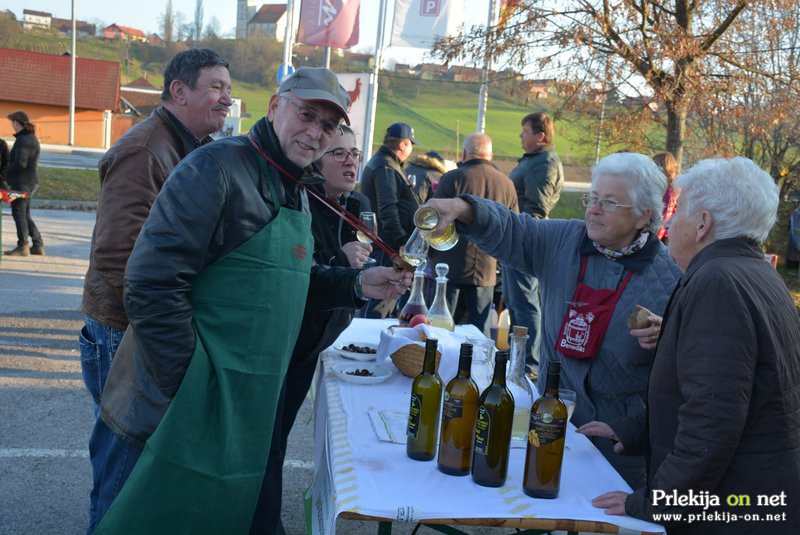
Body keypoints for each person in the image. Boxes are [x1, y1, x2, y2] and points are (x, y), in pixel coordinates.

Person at [88, 67, 411, 534]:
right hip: (170, 398)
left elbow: (288, 279)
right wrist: (189, 381)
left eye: (328, 125)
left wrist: (359, 284)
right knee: (128, 516)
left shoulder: (295, 184)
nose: (315, 131)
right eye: (307, 114)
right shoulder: (215, 168)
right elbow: (151, 282)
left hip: (240, 401)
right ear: (276, 106)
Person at [422, 152, 682, 487]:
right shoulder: (565, 240)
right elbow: (515, 230)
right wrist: (465, 208)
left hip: (618, 448)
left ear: (642, 216)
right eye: (592, 198)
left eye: (610, 203)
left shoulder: (671, 279)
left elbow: (686, 376)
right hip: (549, 425)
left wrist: (669, 337)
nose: (594, 209)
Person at [580, 157, 800, 534]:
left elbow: (713, 421)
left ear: (703, 224)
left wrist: (652, 503)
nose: (668, 221)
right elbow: (729, 393)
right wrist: (634, 430)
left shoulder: (718, 283)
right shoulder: (754, 273)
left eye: (679, 210)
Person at [79, 48, 232, 415]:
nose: (227, 99)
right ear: (179, 92)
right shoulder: (144, 151)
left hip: (148, 323)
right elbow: (117, 254)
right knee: (127, 447)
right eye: (216, 87)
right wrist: (163, 325)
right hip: (126, 328)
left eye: (228, 88)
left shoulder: (194, 148)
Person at [250, 125, 371, 534]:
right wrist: (342, 258)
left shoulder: (354, 204)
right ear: (317, 164)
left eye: (354, 153)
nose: (351, 160)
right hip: (286, 340)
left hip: (314, 344)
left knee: (277, 441)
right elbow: (296, 275)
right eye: (339, 154)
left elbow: (358, 268)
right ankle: (262, 525)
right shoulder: (304, 202)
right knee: (267, 444)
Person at [427, 133, 518, 335]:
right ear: (490, 154)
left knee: (440, 330)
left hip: (448, 266)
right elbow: (514, 228)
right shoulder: (506, 184)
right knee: (480, 333)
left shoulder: (451, 178)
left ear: (465, 152)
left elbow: (433, 219)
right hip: (485, 268)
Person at [502, 111, 564, 370]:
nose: (520, 136)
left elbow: (536, 209)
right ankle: (517, 357)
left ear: (540, 136)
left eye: (525, 132)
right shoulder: (535, 160)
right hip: (515, 238)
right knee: (515, 300)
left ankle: (529, 364)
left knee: (525, 303)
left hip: (525, 240)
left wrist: (519, 234)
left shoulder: (544, 164)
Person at [360, 121, 419, 317]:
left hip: (386, 245)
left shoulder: (384, 163)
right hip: (388, 248)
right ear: (403, 145)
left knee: (384, 303)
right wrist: (401, 243)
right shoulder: (386, 166)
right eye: (411, 143)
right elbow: (387, 209)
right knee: (379, 304)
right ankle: (368, 345)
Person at [3, 111, 43, 257]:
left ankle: (23, 246)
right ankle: (38, 244)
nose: (12, 126)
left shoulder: (23, 140)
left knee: (18, 213)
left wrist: (5, 173)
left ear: (17, 123)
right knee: (24, 214)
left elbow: (20, 163)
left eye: (12, 123)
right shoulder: (30, 138)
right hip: (28, 182)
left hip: (21, 182)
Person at [652, 151, 678, 242]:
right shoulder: (659, 188)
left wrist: (655, 239)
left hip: (662, 237)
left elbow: (665, 218)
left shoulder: (669, 192)